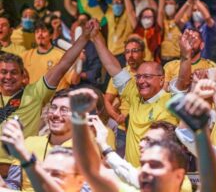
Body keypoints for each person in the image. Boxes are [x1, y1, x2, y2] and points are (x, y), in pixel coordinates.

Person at [0, 20, 93, 175]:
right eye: (3, 72)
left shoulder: (35, 93)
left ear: (24, 76)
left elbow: (63, 65)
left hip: (17, 172)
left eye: (14, 72)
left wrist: (84, 37)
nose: (8, 77)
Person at [90, 19, 178, 167]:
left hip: (155, 176)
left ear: (162, 80)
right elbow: (112, 67)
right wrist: (96, 37)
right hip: (130, 175)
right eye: (138, 76)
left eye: (147, 77)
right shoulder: (134, 94)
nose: (141, 81)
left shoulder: (171, 103)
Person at [69, 88, 188, 192]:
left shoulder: (183, 186)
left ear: (178, 176)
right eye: (143, 164)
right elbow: (94, 173)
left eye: (154, 165)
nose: (141, 144)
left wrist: (104, 146)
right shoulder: (140, 183)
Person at [1, 118, 86, 192]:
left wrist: (25, 157)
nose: (46, 178)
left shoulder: (83, 151)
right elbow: (11, 186)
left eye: (56, 174)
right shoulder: (31, 142)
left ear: (80, 181)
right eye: (44, 172)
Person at [104, 37, 145, 157]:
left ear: (143, 53)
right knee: (122, 165)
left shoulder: (151, 71)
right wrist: (116, 116)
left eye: (135, 51)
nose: (130, 55)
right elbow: (106, 100)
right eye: (127, 52)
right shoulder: (120, 75)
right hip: (123, 130)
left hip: (145, 127)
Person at [104, 0, 133, 66]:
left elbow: (130, 8)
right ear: (112, 4)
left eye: (120, 2)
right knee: (109, 77)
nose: (117, 5)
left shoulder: (128, 14)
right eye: (115, 2)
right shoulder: (109, 14)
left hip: (123, 54)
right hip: (111, 55)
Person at [157, 0, 181, 64]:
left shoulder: (180, 21)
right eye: (166, 4)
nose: (168, 6)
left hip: (178, 59)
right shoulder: (162, 21)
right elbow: (160, 11)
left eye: (171, 3)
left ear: (176, 6)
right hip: (164, 59)